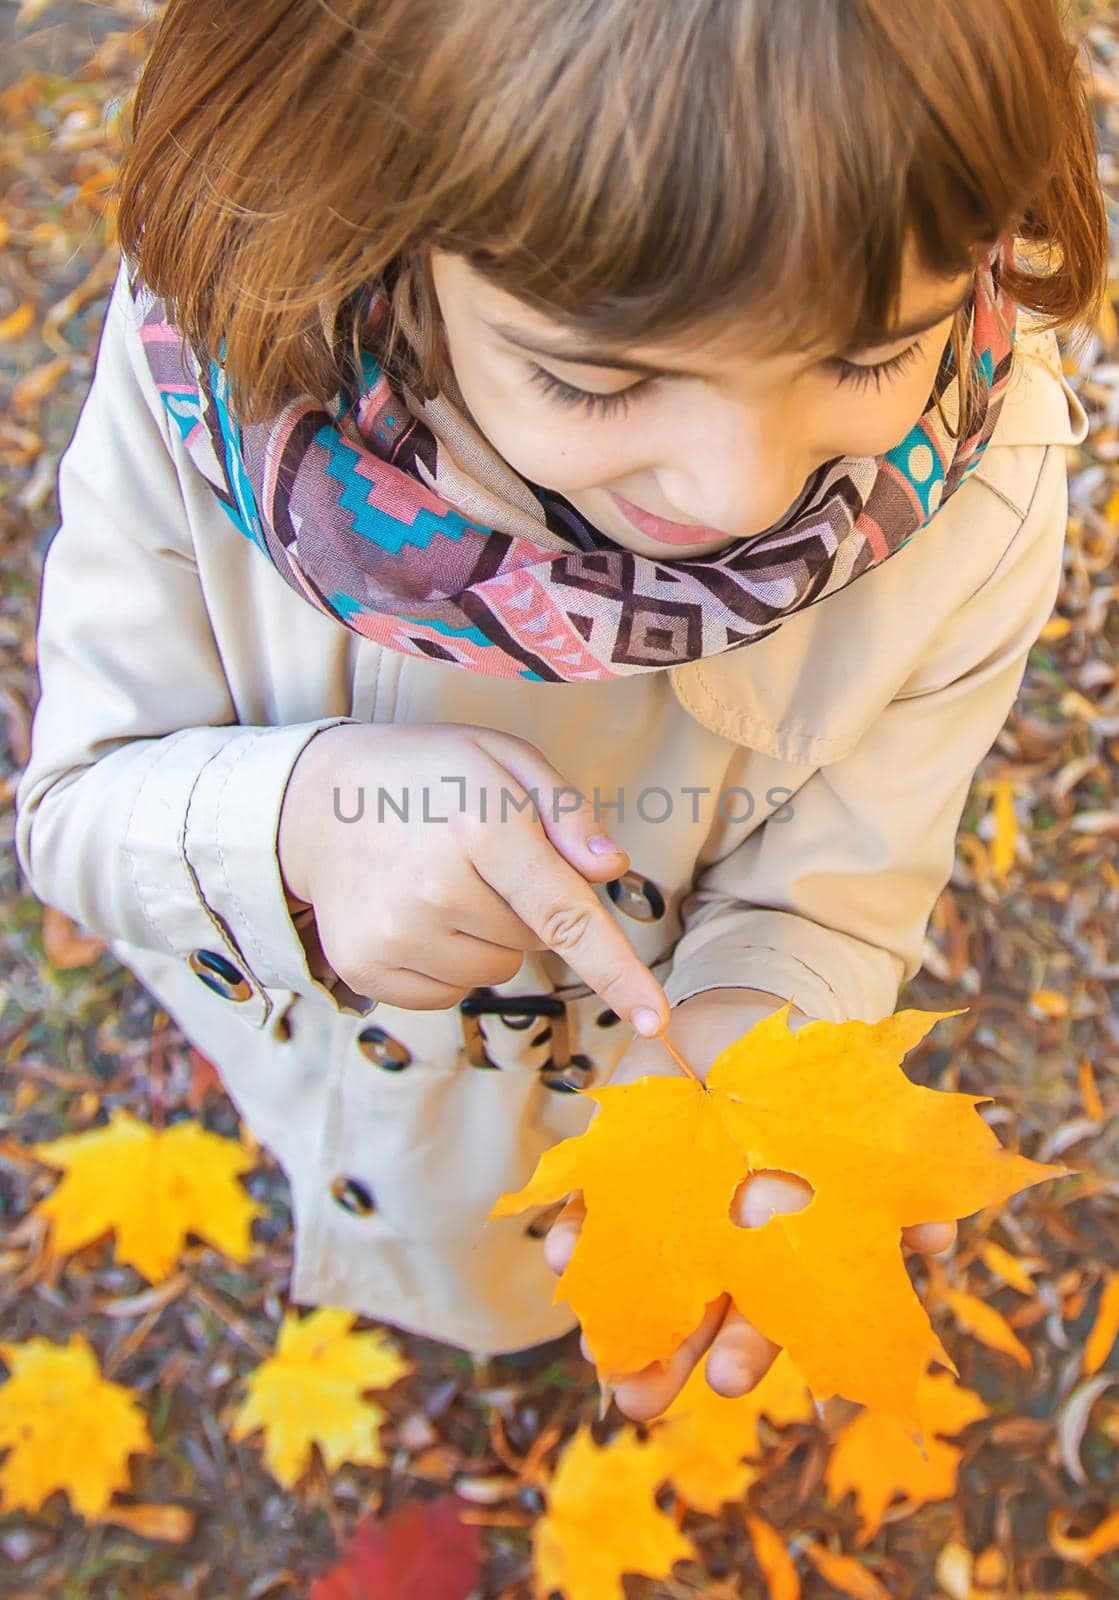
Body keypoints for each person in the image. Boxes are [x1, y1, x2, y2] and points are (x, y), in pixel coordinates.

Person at [14, 0, 1104, 1424]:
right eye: (598, 378)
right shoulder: (211, 375)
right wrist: (288, 828)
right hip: (310, 1063)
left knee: (516, 1283)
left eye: (858, 360)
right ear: (385, 219)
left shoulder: (982, 485)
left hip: (581, 1125)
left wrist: (756, 1036)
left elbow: (837, 896)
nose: (740, 496)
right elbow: (80, 807)